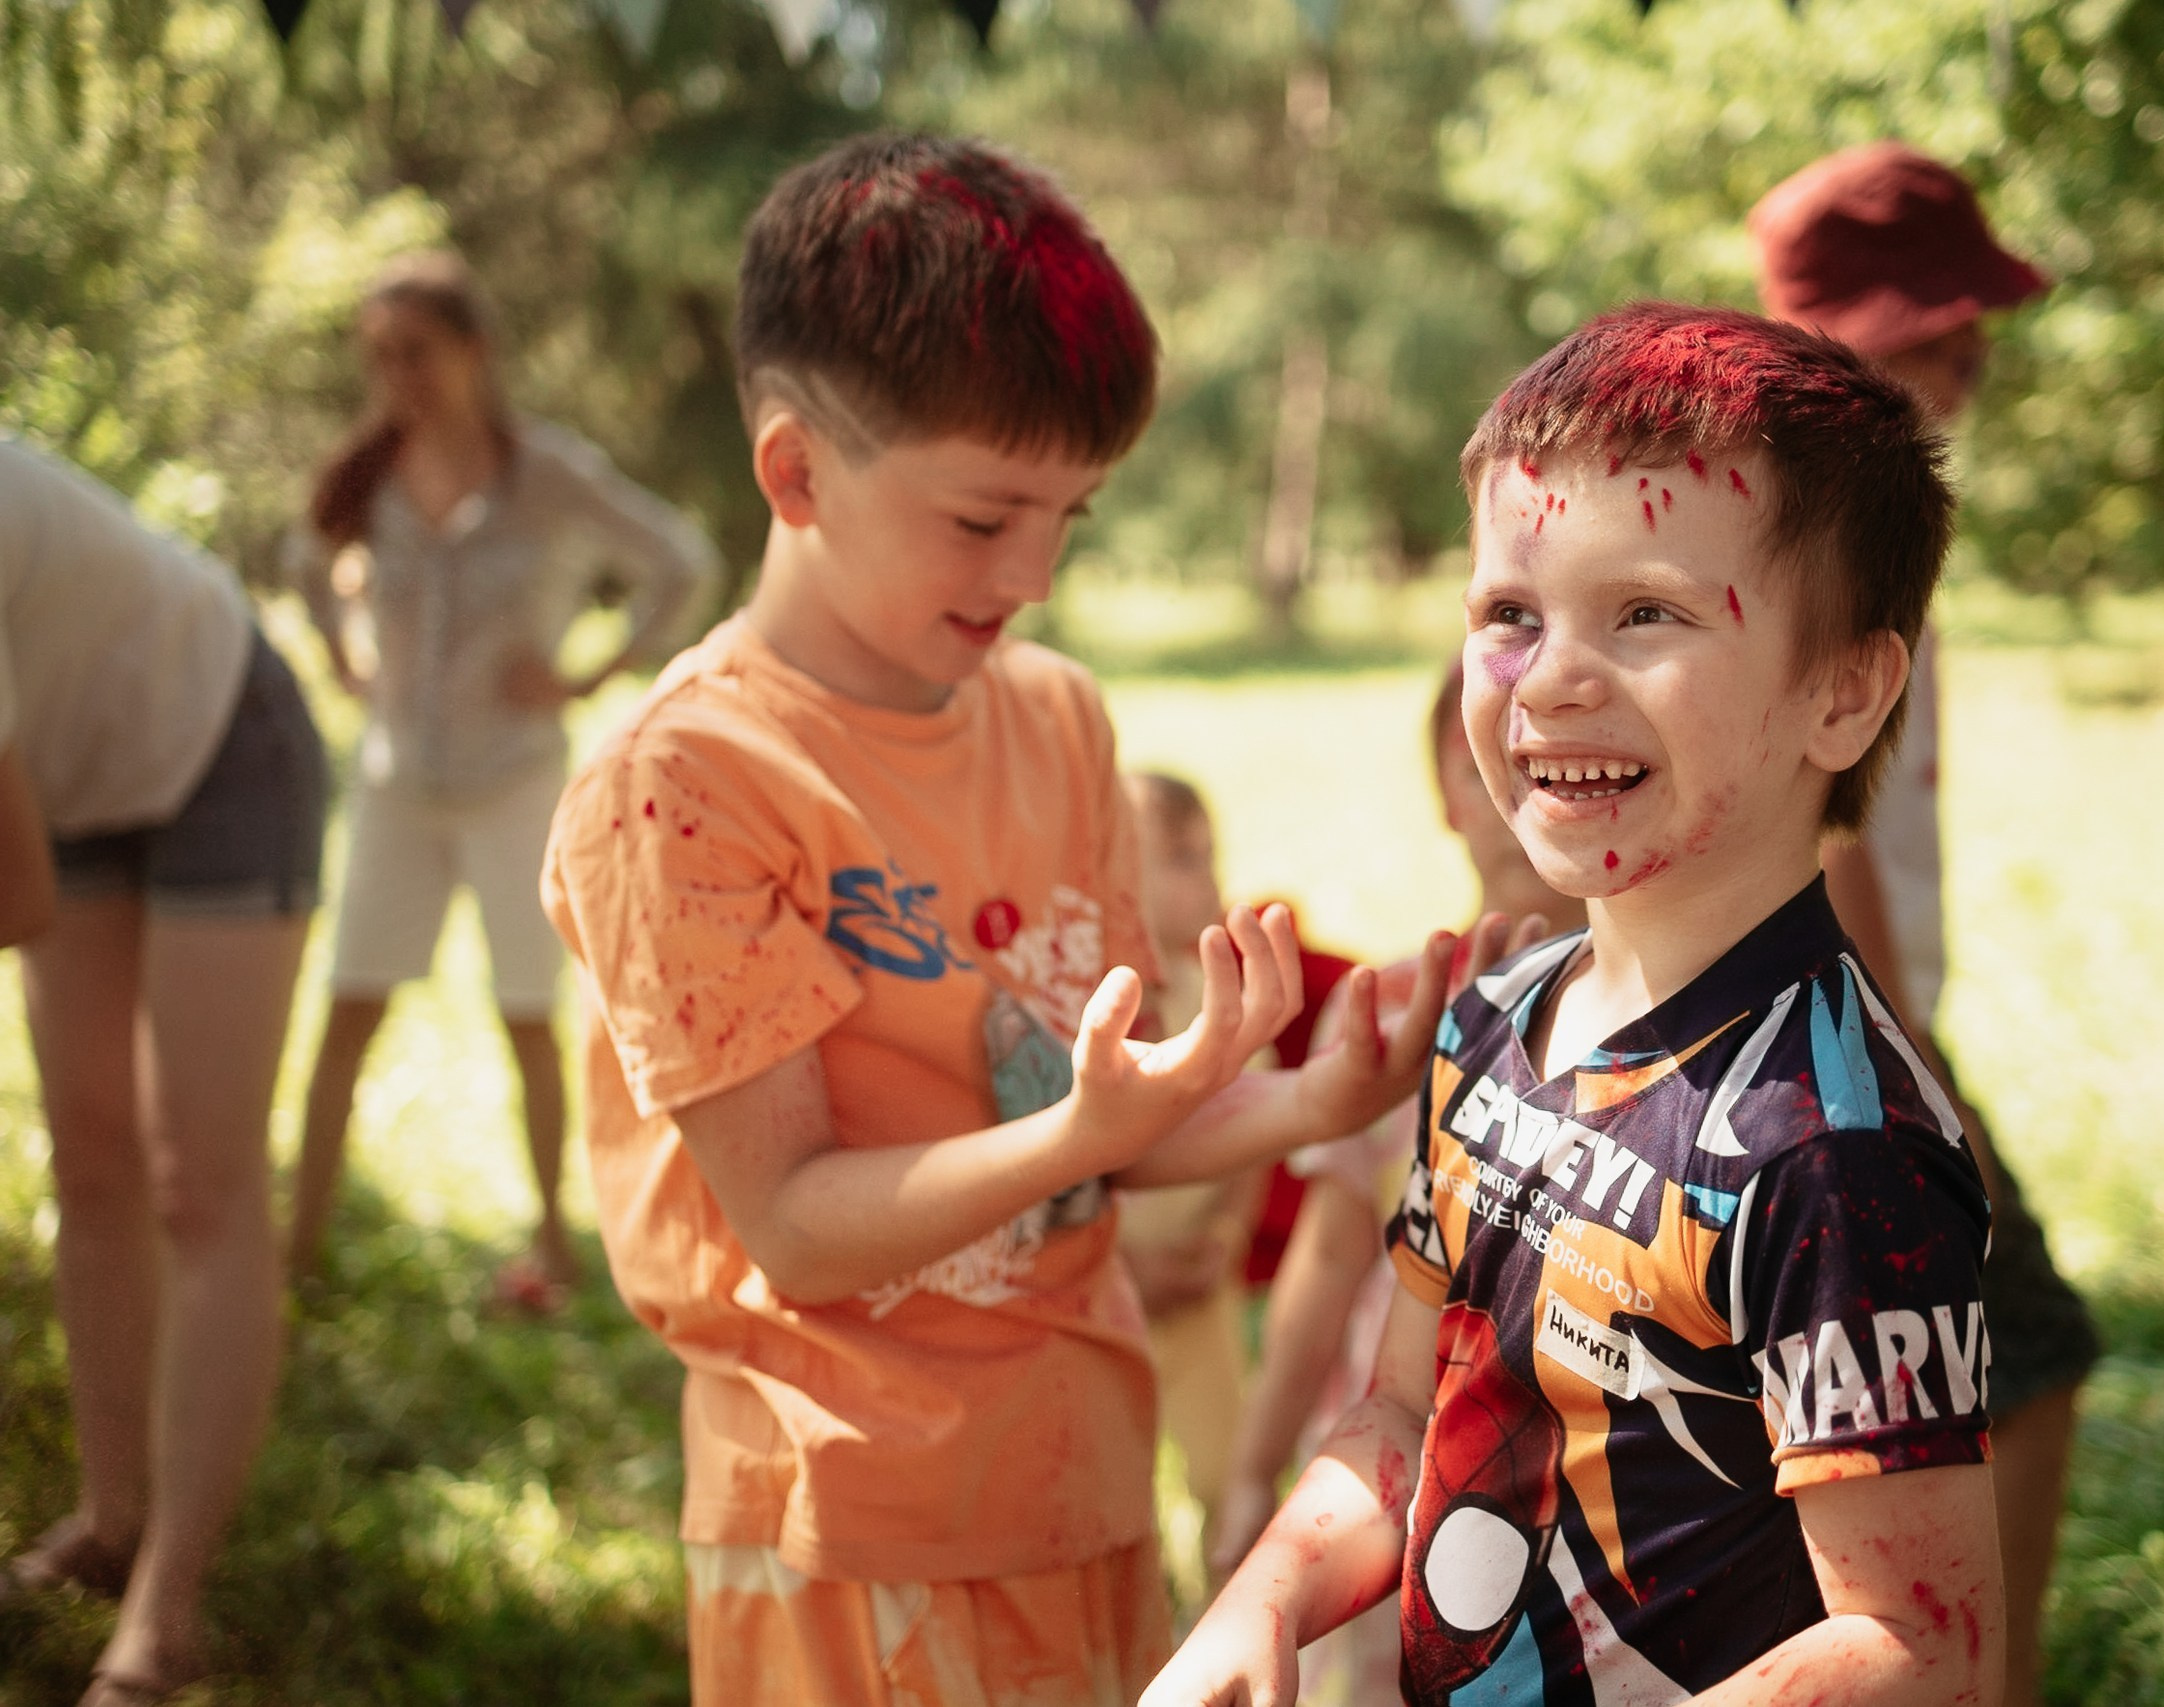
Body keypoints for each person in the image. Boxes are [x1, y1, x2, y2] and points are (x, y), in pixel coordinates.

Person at [539, 132, 1482, 1707]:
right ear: (796, 473)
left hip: (1086, 1483)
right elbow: (795, 1221)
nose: (1034, 574)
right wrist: (1082, 1131)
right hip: (852, 1526)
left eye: (1072, 516)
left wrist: (1310, 1095)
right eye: (984, 520)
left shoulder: (1056, 718)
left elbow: (1096, 1117)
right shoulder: (685, 785)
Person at [1149, 304, 2003, 1707]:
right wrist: (1265, 1599)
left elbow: (1922, 1640)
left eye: (1646, 612)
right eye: (1509, 615)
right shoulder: (1489, 1022)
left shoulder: (1837, 1151)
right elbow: (1403, 1411)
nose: (1550, 678)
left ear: (1844, 692)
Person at [1753, 141, 2105, 1707]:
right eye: (1944, 326)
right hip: (1843, 1039)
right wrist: (1909, 1076)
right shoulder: (1834, 532)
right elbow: (1825, 839)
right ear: (1860, 334)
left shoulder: (1854, 511)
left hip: (1835, 1033)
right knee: (2026, 1355)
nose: (1974, 358)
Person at [285, 250, 713, 1306]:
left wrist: (589, 673)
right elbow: (302, 561)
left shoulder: (547, 475)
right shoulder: (366, 478)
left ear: (474, 352)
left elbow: (680, 561)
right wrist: (343, 655)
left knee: (529, 1013)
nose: (399, 376)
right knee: (348, 1007)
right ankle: (296, 1250)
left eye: (417, 352)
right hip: (397, 781)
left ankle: (552, 1246)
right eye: (381, 356)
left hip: (516, 780)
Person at [0, 437, 330, 1706]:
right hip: (66, 775)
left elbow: (13, 896)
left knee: (200, 1178)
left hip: (219, 735)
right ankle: (111, 1519)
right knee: (91, 1157)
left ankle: (165, 1612)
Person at [1207, 659, 1576, 1707]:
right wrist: (1253, 1471)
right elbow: (1327, 1258)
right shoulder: (1388, 1014)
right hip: (1400, 1474)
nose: (1518, 777)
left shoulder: (1683, 1033)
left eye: (1546, 749)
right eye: (1483, 757)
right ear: (1445, 795)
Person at [1117, 771, 1267, 1515]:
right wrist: (1121, 1267)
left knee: (1222, 1472)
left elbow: (1258, 1130)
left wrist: (1227, 1233)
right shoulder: (1083, 1004)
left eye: (1211, 855)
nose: (1209, 879)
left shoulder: (1213, 996)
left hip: (1200, 1284)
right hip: (1101, 1291)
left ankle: (1227, 1575)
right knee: (1112, 1484)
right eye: (1181, 858)